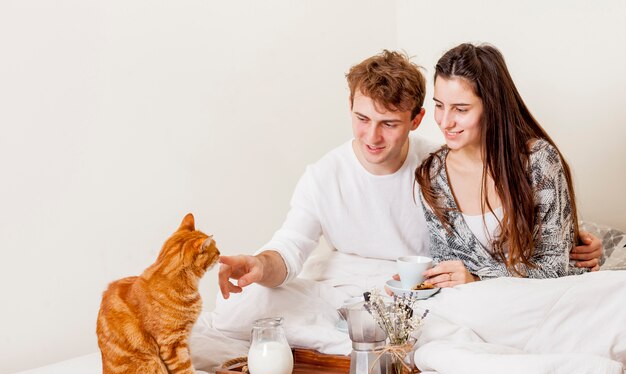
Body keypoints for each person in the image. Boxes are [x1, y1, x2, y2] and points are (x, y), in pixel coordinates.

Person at [218, 50, 602, 302]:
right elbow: (291, 244)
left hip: (486, 295)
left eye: (388, 123)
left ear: (414, 120)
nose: (372, 136)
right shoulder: (424, 173)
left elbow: (518, 253)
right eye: (362, 119)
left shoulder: (445, 161)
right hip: (438, 297)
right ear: (349, 106)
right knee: (256, 304)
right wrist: (259, 264)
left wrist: (575, 238)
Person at [416, 43, 592, 287]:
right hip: (478, 306)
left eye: (460, 109)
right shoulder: (433, 175)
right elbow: (447, 265)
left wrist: (477, 278)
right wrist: (420, 282)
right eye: (439, 105)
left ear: (491, 106)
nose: (445, 121)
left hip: (545, 300)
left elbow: (554, 268)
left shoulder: (539, 161)